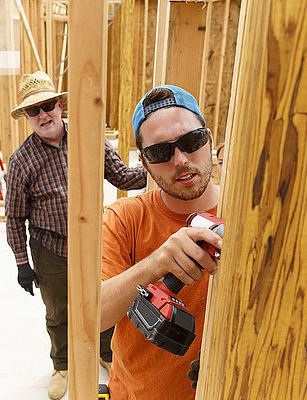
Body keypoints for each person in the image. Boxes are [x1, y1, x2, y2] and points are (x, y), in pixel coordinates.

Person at [6, 71, 147, 400]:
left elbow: (123, 177)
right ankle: (62, 363)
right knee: (58, 311)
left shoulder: (90, 138)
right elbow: (14, 216)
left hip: (95, 243)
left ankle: (105, 352)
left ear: (60, 105)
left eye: (48, 105)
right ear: (27, 117)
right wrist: (21, 263)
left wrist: (157, 166)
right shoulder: (21, 161)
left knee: (103, 300)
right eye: (33, 110)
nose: (43, 114)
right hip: (49, 248)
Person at [100, 85, 223, 400]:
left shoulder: (246, 215)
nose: (180, 160)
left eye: (191, 142)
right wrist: (157, 263)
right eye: (160, 152)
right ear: (143, 161)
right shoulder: (125, 218)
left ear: (208, 138)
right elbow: (92, 316)